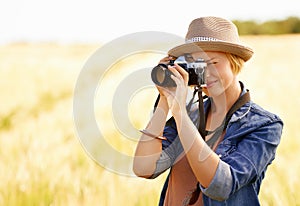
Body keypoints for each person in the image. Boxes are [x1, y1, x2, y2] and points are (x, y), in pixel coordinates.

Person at [133, 16, 283, 206]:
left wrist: (180, 113)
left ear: (234, 62)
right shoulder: (191, 114)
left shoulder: (264, 125)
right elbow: (144, 167)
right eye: (198, 66)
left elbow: (221, 186)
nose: (207, 74)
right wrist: (165, 98)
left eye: (213, 63)